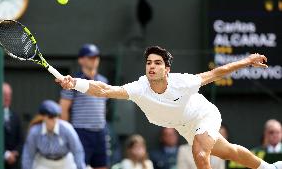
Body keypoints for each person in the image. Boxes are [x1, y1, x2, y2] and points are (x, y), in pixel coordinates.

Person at [56, 46, 282, 169]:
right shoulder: (139, 88)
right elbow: (104, 90)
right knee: (228, 151)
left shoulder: (182, 82)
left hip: (203, 115)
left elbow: (215, 73)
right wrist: (75, 83)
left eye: (158, 63)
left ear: (167, 70)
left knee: (200, 153)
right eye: (148, 63)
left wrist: (247, 60)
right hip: (183, 125)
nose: (152, 67)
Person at [59, 44, 109, 169]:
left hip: (100, 132)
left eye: (96, 57)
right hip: (80, 132)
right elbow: (63, 109)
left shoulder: (104, 81)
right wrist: (66, 134)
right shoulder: (73, 82)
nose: (94, 59)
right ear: (81, 60)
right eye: (90, 57)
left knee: (102, 166)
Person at [22, 100, 86, 169]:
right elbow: (28, 155)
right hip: (44, 162)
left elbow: (77, 151)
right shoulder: (34, 132)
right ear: (44, 117)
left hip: (65, 162)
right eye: (50, 117)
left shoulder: (67, 129)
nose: (54, 120)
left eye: (56, 116)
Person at [3, 83, 23, 169]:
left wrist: (16, 152)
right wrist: (5, 155)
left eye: (9, 95)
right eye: (5, 95)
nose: (7, 98)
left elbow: (21, 140)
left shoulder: (15, 117)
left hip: (14, 164)